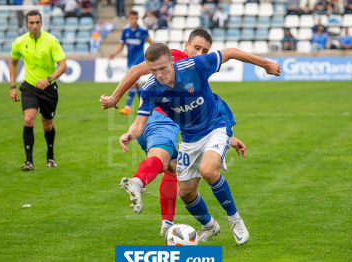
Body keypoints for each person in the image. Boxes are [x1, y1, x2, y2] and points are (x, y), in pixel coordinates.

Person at [118, 43, 280, 244]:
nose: (159, 74)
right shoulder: (150, 89)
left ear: (172, 61)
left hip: (216, 126)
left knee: (208, 170)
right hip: (189, 137)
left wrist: (264, 64)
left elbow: (229, 52)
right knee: (186, 193)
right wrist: (130, 135)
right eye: (153, 70)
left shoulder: (194, 66)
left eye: (162, 68)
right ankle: (209, 226)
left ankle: (235, 220)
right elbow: (139, 123)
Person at [103, 28, 248, 235]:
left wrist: (228, 136)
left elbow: (201, 106)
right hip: (161, 121)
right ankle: (137, 182)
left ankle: (199, 225)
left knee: (175, 171)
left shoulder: (196, 67)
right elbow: (137, 70)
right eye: (196, 48)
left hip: (160, 122)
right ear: (185, 47)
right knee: (164, 160)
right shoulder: (175, 59)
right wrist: (114, 98)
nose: (200, 53)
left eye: (204, 50)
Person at [9, 11, 67, 171]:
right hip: (29, 87)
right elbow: (13, 62)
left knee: (47, 125)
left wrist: (48, 79)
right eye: (31, 23)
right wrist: (12, 86)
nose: (34, 26)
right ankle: (28, 161)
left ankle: (50, 156)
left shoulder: (51, 41)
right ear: (26, 24)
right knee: (29, 119)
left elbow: (63, 66)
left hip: (49, 89)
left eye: (37, 23)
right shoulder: (19, 42)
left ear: (41, 23)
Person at [108, 10, 153, 115]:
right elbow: (121, 44)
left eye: (136, 18)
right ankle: (146, 105)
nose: (134, 20)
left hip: (139, 61)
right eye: (132, 18)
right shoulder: (125, 30)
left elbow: (151, 42)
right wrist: (113, 53)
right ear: (129, 18)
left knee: (133, 83)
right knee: (136, 86)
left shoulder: (142, 30)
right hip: (129, 61)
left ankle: (127, 108)